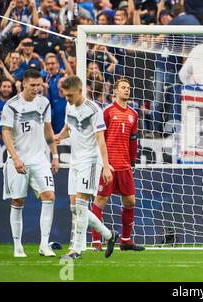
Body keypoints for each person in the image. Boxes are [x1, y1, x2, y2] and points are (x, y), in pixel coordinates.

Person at [54, 75, 118, 259]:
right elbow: (68, 129)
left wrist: (106, 166)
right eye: (66, 95)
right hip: (75, 161)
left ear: (81, 91)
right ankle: (109, 235)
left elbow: (101, 140)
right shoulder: (69, 106)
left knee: (81, 205)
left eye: (70, 95)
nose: (68, 99)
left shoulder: (93, 110)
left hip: (90, 161)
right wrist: (59, 136)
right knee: (75, 208)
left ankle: (77, 250)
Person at [0, 68, 59, 257]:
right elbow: (5, 132)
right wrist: (15, 158)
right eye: (32, 85)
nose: (36, 89)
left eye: (39, 85)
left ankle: (44, 245)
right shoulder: (12, 105)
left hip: (40, 159)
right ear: (23, 84)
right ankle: (18, 246)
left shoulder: (44, 103)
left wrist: (55, 155)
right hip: (18, 159)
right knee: (18, 201)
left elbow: (48, 129)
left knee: (49, 196)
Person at [90, 79, 144, 252]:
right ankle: (96, 242)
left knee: (130, 201)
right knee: (100, 201)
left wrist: (133, 161)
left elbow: (133, 140)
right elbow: (99, 138)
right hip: (109, 165)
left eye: (128, 88)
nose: (126, 90)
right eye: (123, 88)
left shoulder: (133, 115)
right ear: (115, 91)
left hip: (125, 165)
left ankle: (126, 240)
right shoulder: (106, 112)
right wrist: (102, 163)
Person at [0, 78, 14, 145]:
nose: (6, 89)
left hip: (11, 140)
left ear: (11, 89)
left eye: (8, 87)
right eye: (4, 86)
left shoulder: (15, 103)